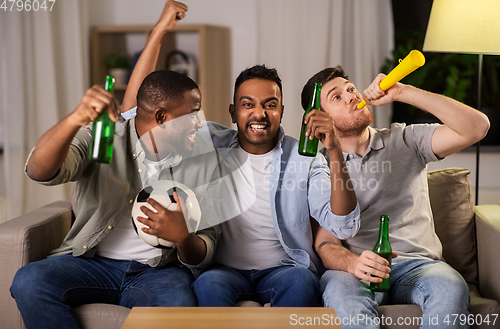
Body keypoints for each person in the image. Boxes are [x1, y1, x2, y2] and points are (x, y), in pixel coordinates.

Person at [120, 1, 361, 307]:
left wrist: (335, 151)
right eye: (248, 104)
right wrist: (160, 31)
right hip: (221, 269)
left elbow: (342, 226)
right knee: (207, 286)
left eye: (270, 105)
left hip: (284, 269)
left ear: (282, 111)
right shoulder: (208, 142)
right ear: (233, 112)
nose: (259, 114)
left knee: (302, 284)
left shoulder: (305, 158)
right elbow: (135, 111)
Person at [9, 4, 224, 328]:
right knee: (29, 280)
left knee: (179, 304)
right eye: (193, 116)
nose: (201, 123)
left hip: (158, 272)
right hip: (91, 262)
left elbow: (204, 248)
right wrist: (74, 120)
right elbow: (39, 171)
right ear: (162, 118)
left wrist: (183, 238)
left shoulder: (202, 155)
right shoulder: (105, 137)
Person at [301, 65, 490, 328]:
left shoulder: (406, 140)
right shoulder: (320, 167)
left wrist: (403, 91)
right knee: (339, 291)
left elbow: (478, 127)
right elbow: (326, 244)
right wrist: (353, 263)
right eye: (337, 97)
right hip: (358, 270)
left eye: (351, 89)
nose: (352, 96)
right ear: (319, 119)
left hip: (420, 266)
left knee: (451, 287)